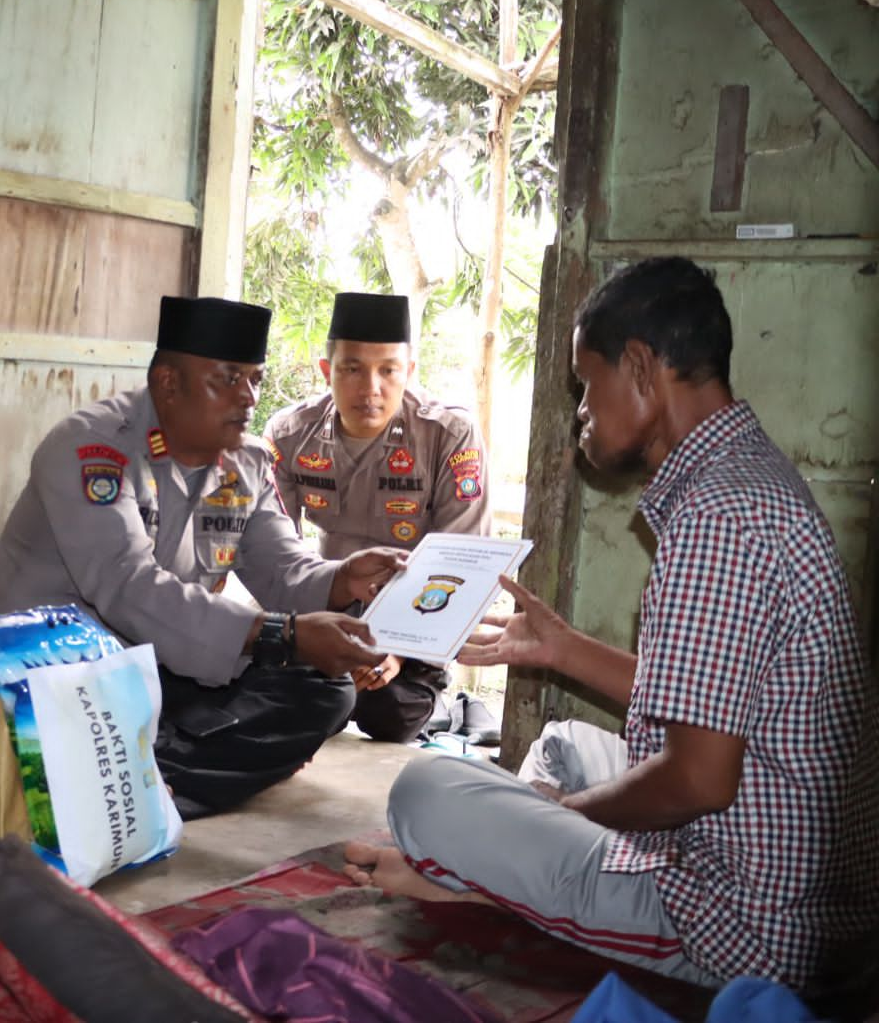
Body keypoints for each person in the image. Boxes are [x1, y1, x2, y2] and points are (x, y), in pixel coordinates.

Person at [342, 258, 879, 991]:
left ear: (640, 368)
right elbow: (715, 705)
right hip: (800, 881)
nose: (582, 412)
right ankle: (510, 875)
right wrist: (561, 650)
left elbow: (698, 778)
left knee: (425, 790)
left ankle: (488, 881)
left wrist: (570, 816)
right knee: (562, 743)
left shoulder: (716, 518)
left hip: (741, 924)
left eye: (587, 385)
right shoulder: (748, 479)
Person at [0, 296, 403, 819]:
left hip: (165, 661)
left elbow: (282, 567)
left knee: (325, 688)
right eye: (226, 379)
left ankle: (141, 777)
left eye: (255, 379)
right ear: (167, 384)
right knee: (122, 698)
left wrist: (344, 579)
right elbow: (129, 587)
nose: (247, 398)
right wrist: (280, 633)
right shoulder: (92, 449)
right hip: (66, 663)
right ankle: (141, 774)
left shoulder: (245, 464)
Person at [265, 292, 491, 744]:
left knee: (389, 715)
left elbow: (461, 563)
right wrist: (306, 633)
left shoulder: (448, 435)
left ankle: (437, 699)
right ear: (327, 371)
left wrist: (400, 652)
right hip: (325, 604)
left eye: (388, 370)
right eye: (352, 369)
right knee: (285, 698)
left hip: (416, 614)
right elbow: (272, 554)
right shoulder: (290, 434)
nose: (371, 388)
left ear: (409, 371)